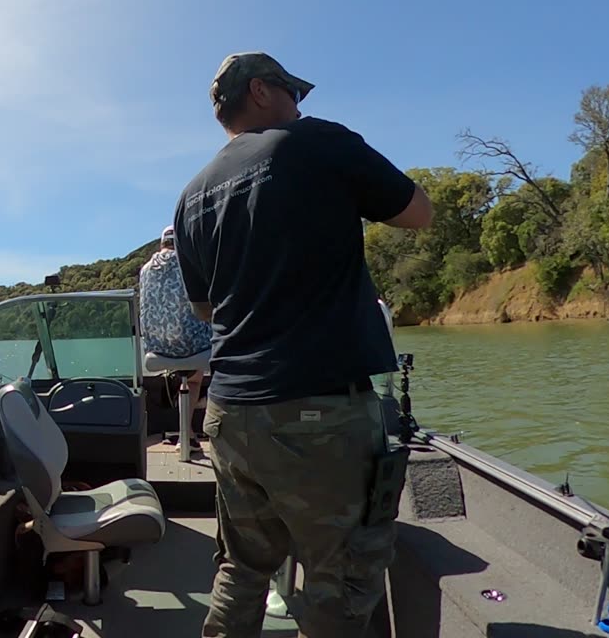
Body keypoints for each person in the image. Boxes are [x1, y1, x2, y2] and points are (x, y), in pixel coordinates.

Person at [172, 52, 433, 638]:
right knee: (337, 581)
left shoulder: (191, 195)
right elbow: (418, 213)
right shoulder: (316, 142)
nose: (300, 104)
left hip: (231, 415)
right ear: (262, 91)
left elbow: (205, 311)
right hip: (319, 412)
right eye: (293, 91)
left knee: (240, 568)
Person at [138, 225, 212, 450]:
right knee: (195, 378)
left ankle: (185, 432)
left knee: (185, 373)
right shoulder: (192, 265)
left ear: (162, 244)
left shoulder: (145, 269)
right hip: (191, 347)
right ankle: (189, 432)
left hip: (156, 348)